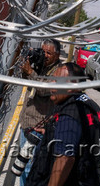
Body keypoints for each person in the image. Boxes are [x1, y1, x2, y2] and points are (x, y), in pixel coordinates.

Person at [26, 62, 100, 186]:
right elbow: (80, 136)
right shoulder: (90, 105)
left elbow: (65, 158)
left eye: (57, 81)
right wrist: (51, 132)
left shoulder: (70, 112)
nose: (51, 84)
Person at [18, 39, 62, 185]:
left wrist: (31, 72)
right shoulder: (41, 65)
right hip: (26, 122)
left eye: (49, 53)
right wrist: (27, 68)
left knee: (31, 167)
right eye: (43, 51)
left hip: (38, 126)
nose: (45, 55)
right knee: (22, 165)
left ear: (57, 55)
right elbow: (25, 79)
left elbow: (45, 90)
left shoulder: (59, 71)